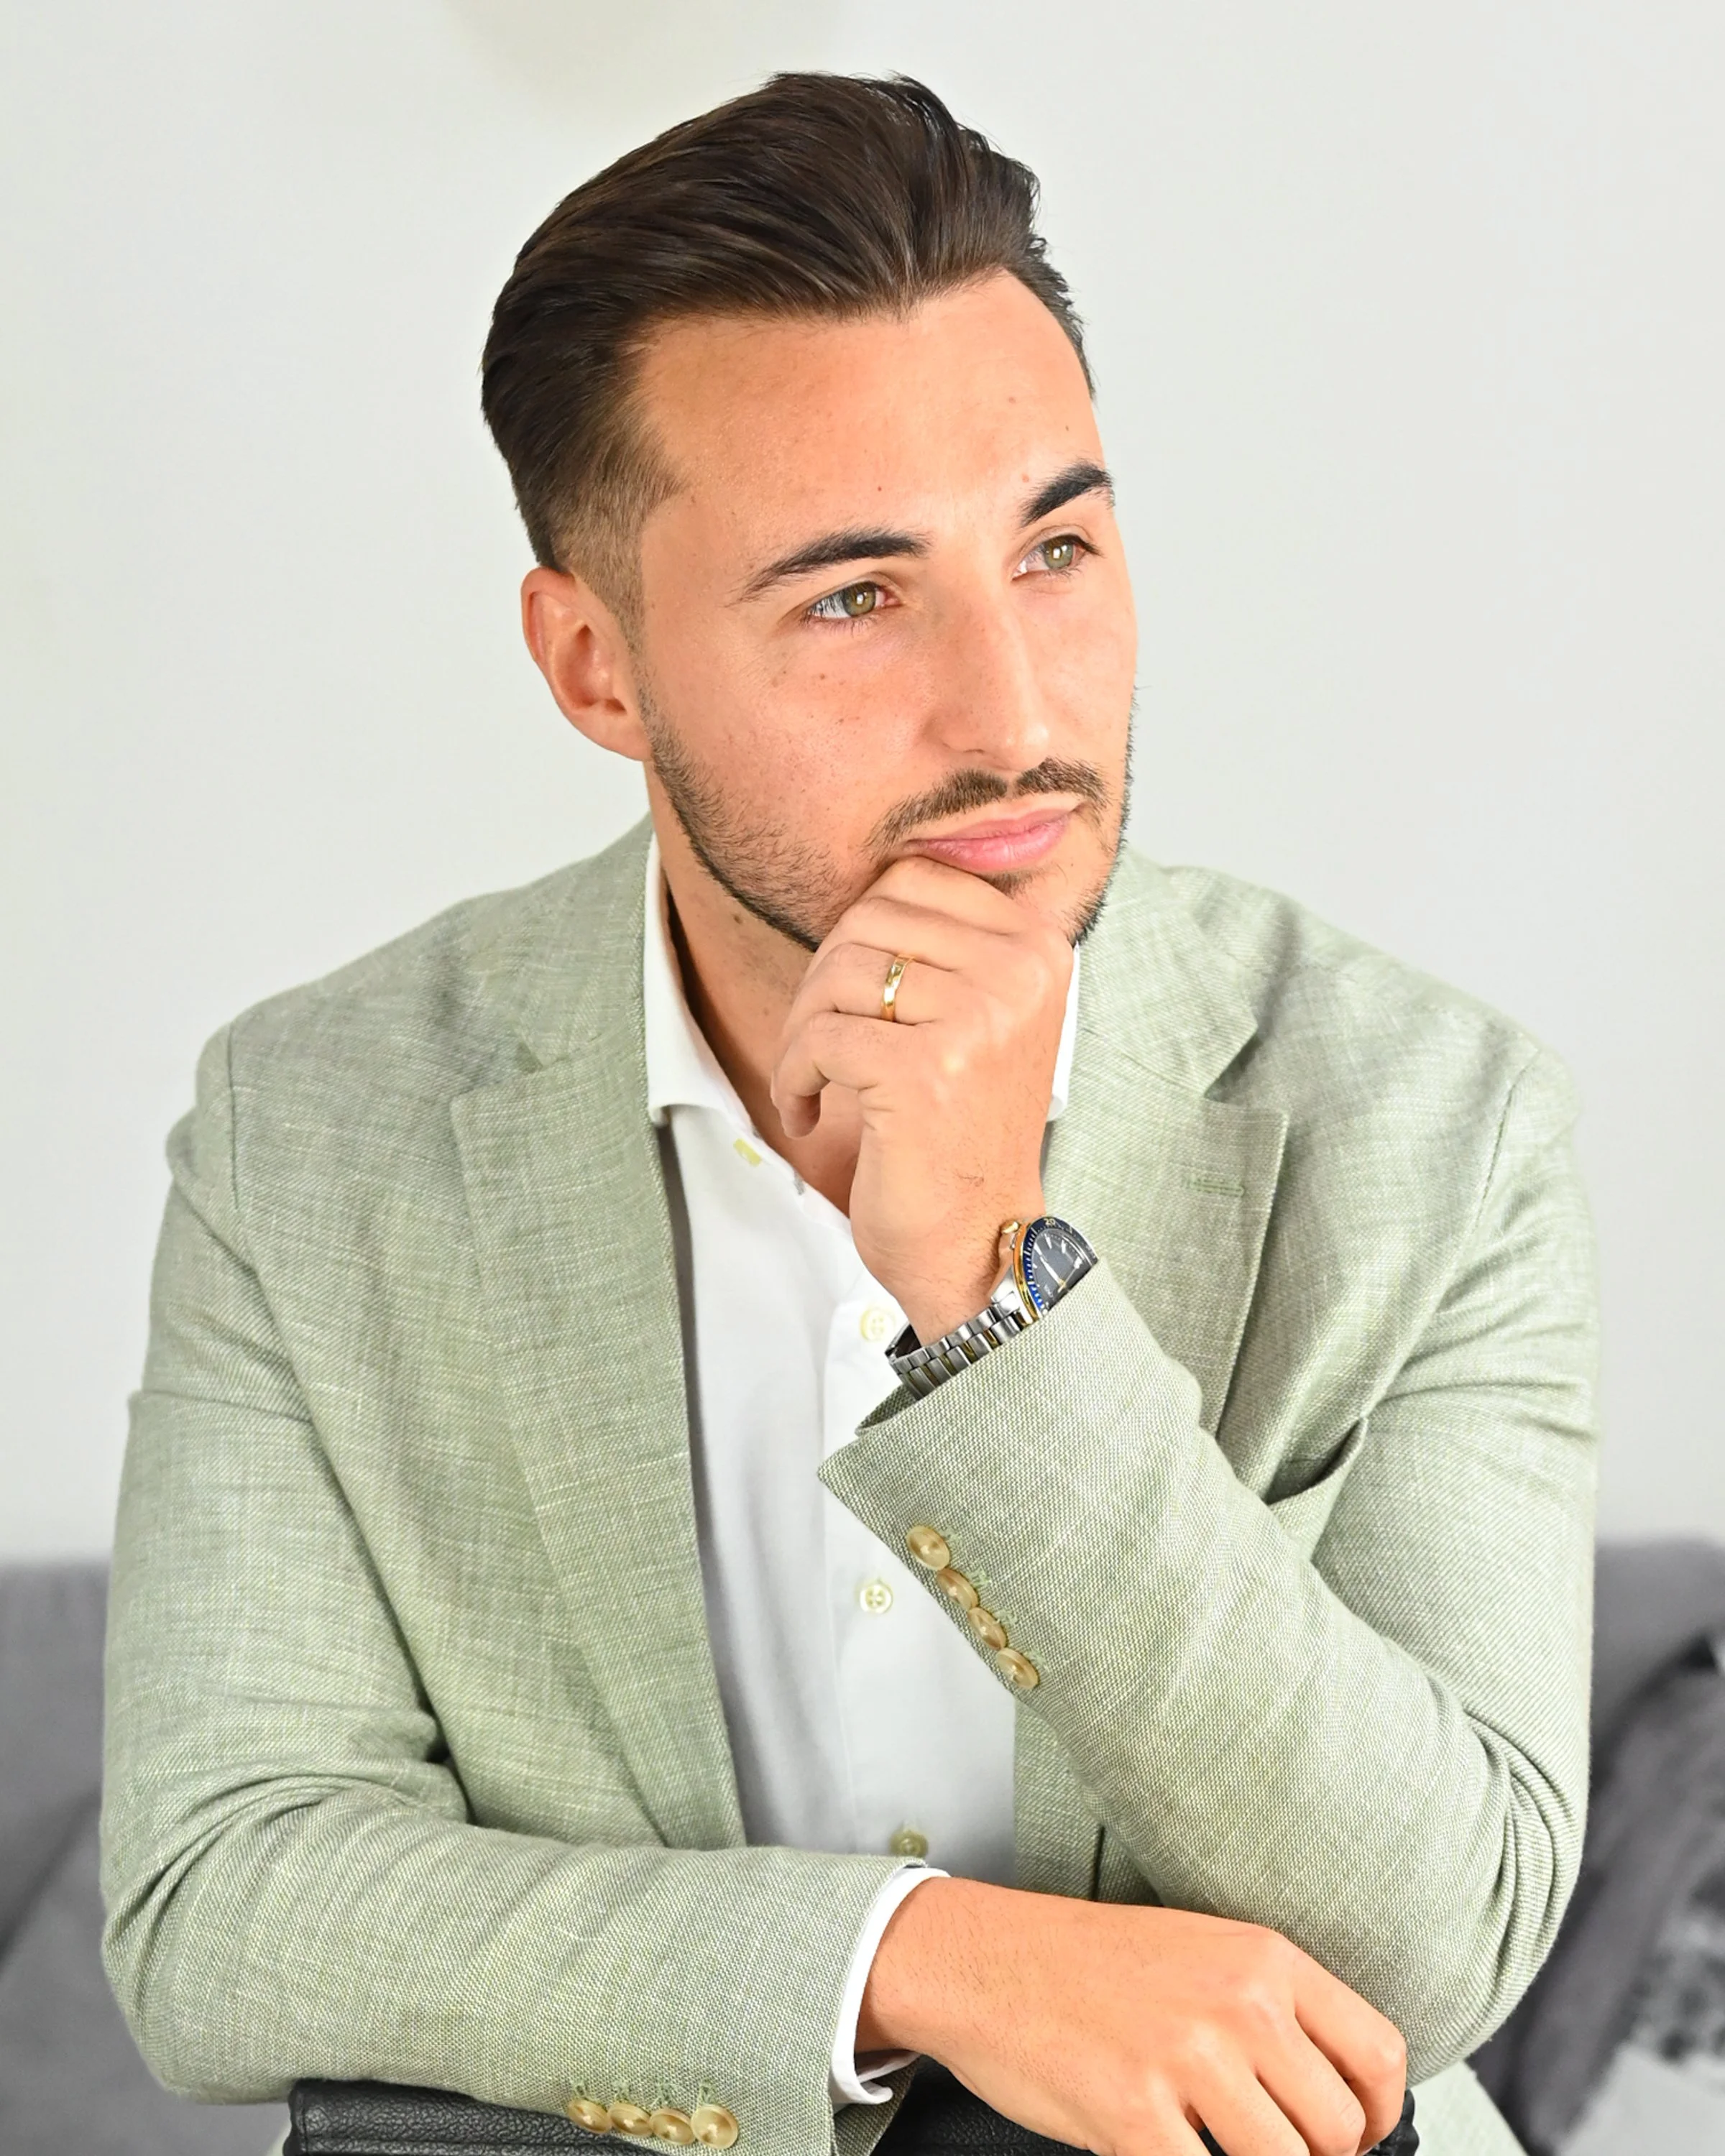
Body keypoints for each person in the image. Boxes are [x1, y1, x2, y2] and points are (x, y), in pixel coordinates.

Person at [100, 73, 1598, 2156]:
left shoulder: (1432, 1126)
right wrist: (915, 1962)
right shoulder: (316, 1126)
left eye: (1056, 548)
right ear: (595, 668)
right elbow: (223, 1898)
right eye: (855, 597)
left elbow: (1443, 1940)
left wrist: (1000, 1303)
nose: (1013, 716)